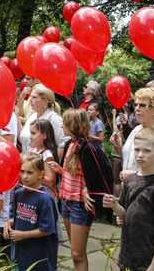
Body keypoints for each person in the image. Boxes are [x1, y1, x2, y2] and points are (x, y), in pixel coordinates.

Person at [103, 128, 154, 271]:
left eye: (147, 151)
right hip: (128, 256)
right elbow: (125, 215)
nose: (140, 155)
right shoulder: (130, 181)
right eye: (137, 150)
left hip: (149, 258)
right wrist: (114, 205)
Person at [49, 108, 112, 271]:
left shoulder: (88, 147)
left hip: (79, 204)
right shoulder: (69, 144)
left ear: (73, 125)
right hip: (66, 199)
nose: (62, 126)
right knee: (74, 251)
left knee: (78, 253)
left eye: (65, 123)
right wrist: (60, 170)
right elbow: (76, 173)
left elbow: (97, 176)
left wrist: (86, 190)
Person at [4, 153, 58, 271]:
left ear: (41, 175)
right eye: (22, 171)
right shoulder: (19, 194)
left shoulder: (44, 199)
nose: (24, 176)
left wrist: (22, 235)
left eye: (30, 172)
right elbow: (16, 217)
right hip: (22, 254)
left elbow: (47, 229)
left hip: (40, 257)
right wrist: (7, 223)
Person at [110, 88, 154, 184]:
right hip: (131, 189)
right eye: (136, 105)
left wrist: (136, 174)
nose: (137, 109)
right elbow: (130, 159)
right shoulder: (136, 129)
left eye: (142, 105)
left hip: (149, 191)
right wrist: (119, 147)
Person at [28, 119, 64, 243]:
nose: (29, 137)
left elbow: (51, 180)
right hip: (33, 194)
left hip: (44, 196)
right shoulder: (33, 151)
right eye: (30, 133)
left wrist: (35, 176)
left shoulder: (46, 154)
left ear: (44, 135)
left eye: (33, 133)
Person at [19, 84, 68, 157]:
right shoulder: (33, 117)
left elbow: (64, 144)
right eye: (30, 97)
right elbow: (24, 138)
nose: (30, 100)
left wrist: (47, 163)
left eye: (34, 97)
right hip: (27, 164)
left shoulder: (54, 119)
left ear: (46, 101)